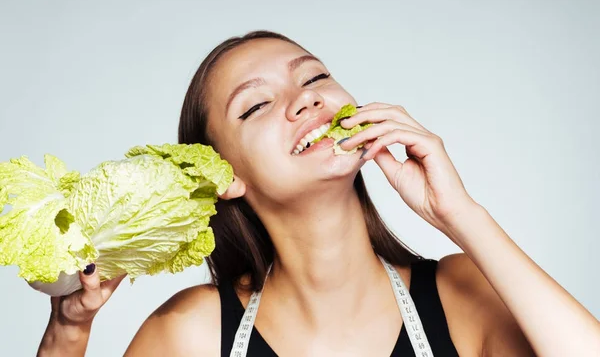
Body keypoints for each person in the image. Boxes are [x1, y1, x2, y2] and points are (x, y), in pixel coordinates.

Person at [37, 31, 600, 357]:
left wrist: (459, 215)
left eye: (314, 78)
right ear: (223, 174)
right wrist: (68, 330)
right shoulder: (192, 334)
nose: (305, 101)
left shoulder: (461, 295)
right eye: (256, 105)